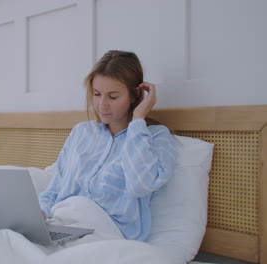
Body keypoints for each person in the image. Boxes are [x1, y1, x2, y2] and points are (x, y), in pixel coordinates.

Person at [38, 50, 176, 242]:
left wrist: (138, 120)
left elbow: (141, 185)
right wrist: (39, 216)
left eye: (112, 97)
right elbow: (54, 189)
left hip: (107, 234)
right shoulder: (81, 133)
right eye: (96, 94)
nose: (102, 105)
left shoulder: (157, 137)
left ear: (135, 96)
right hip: (61, 224)